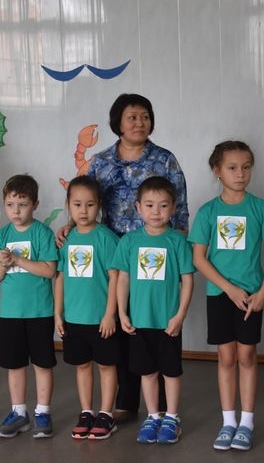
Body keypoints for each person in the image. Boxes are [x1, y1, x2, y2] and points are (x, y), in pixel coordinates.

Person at [59, 93, 189, 422]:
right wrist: (70, 225)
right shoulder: (101, 161)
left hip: (155, 259)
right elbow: (84, 199)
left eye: (145, 116)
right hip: (112, 258)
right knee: (122, 329)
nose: (139, 123)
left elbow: (180, 211)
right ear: (117, 122)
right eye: (132, 117)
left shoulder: (165, 160)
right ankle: (126, 402)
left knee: (155, 330)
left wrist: (177, 255)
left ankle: (162, 410)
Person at [188, 141, 264, 451]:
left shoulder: (262, 209)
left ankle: (247, 423)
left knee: (247, 356)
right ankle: (228, 422)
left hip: (252, 296)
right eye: (232, 167)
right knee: (226, 357)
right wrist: (228, 288)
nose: (240, 173)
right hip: (220, 294)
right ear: (217, 171)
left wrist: (263, 292)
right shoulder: (208, 211)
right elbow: (199, 258)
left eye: (246, 167)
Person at [110, 176, 195, 444]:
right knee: (147, 372)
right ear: (138, 208)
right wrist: (122, 312)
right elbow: (122, 279)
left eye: (163, 205)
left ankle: (172, 417)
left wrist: (180, 315)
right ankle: (153, 416)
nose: (156, 212)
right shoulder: (129, 241)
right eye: (149, 205)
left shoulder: (177, 242)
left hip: (168, 322)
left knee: (170, 371)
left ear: (173, 208)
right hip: (139, 321)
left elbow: (187, 280)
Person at [0, 174, 58, 439]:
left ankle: (43, 412)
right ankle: (19, 413)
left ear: (35, 205)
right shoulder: (2, 236)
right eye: (10, 205)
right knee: (14, 364)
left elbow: (49, 271)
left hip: (39, 312)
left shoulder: (42, 233)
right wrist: (3, 265)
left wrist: (17, 259)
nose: (16, 211)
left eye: (23, 205)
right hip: (11, 313)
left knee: (42, 364)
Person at [55, 176, 120, 440]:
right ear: (68, 205)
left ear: (99, 205)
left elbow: (116, 278)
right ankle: (86, 412)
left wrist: (110, 314)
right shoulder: (66, 240)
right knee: (82, 365)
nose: (83, 211)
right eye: (77, 204)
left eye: (90, 205)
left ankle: (106, 414)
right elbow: (60, 277)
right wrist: (58, 314)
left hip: (101, 318)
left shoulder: (106, 238)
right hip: (74, 317)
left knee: (106, 365)